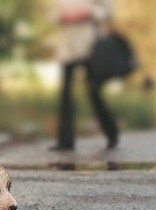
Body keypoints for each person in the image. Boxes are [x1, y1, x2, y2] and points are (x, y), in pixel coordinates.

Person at [50, 0, 119, 151]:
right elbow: (53, 13)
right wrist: (63, 16)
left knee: (93, 91)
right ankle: (65, 141)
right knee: (66, 93)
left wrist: (89, 12)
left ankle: (112, 133)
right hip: (68, 47)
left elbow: (109, 11)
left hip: (92, 46)